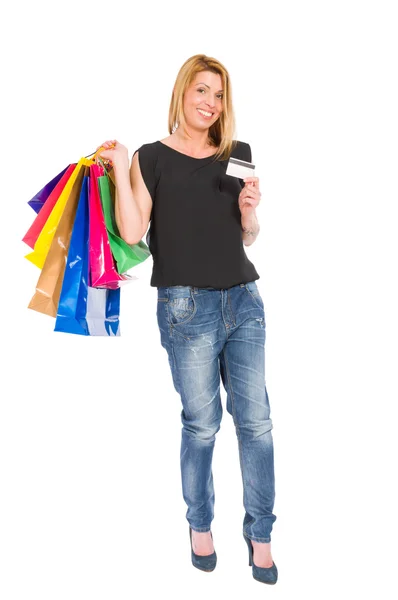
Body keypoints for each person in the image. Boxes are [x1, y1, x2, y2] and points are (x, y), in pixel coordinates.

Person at [96, 54, 277, 585]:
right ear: (182, 94)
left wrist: (249, 214)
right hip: (186, 308)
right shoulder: (151, 157)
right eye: (202, 91)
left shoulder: (237, 153)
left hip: (244, 301)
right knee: (202, 426)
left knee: (257, 424)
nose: (210, 104)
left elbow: (247, 235)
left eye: (219, 95)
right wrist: (120, 161)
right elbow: (132, 233)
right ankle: (201, 527)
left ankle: (260, 534)